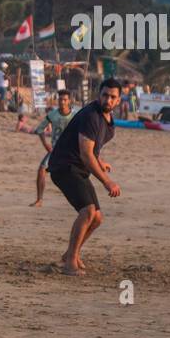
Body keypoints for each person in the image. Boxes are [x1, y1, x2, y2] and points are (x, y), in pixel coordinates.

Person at [47, 79, 122, 275]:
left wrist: (100, 161)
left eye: (113, 97)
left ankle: (70, 254)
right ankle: (70, 262)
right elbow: (85, 153)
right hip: (64, 166)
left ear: (119, 100)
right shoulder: (91, 116)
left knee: (97, 218)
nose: (108, 99)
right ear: (99, 95)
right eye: (105, 95)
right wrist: (107, 181)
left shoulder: (107, 120)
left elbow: (91, 149)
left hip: (78, 168)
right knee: (88, 211)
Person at [31, 89, 76, 207]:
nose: (62, 102)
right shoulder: (52, 115)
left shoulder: (75, 115)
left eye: (65, 100)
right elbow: (39, 130)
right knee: (41, 170)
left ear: (69, 101)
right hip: (56, 150)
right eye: (60, 99)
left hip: (72, 151)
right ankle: (39, 200)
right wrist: (46, 145)